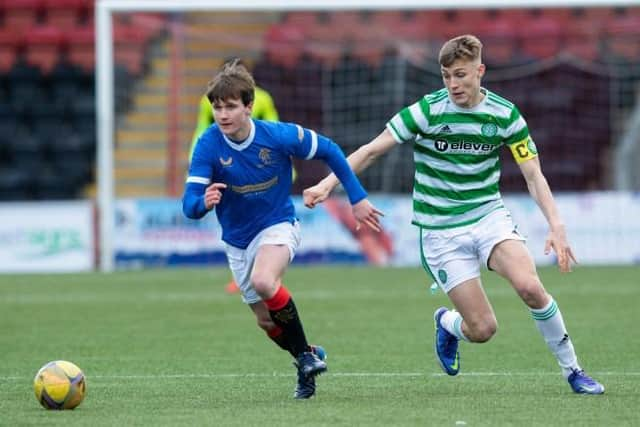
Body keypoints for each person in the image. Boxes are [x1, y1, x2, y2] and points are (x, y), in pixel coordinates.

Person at [303, 34, 604, 395]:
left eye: (460, 75)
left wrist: (557, 225)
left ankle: (573, 370)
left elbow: (533, 175)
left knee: (530, 287)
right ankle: (447, 323)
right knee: (483, 330)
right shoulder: (427, 111)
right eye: (446, 76)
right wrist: (327, 184)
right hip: (440, 229)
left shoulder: (505, 115)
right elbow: (371, 150)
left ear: (480, 71)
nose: (453, 84)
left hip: (487, 216)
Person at [182, 60, 383, 399]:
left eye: (231, 106)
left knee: (264, 281)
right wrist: (204, 201)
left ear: (249, 106)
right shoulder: (208, 144)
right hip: (237, 241)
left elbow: (331, 150)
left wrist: (357, 197)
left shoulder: (277, 136)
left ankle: (304, 356)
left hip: (277, 225)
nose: (223, 114)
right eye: (217, 107)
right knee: (267, 323)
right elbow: (189, 205)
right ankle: (307, 357)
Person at [189, 58, 280, 294]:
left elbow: (273, 128)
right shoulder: (208, 102)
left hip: (259, 166)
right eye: (219, 108)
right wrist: (196, 163)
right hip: (224, 166)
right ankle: (247, 273)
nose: (223, 113)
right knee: (235, 216)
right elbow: (202, 129)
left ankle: (265, 271)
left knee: (266, 217)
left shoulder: (262, 99)